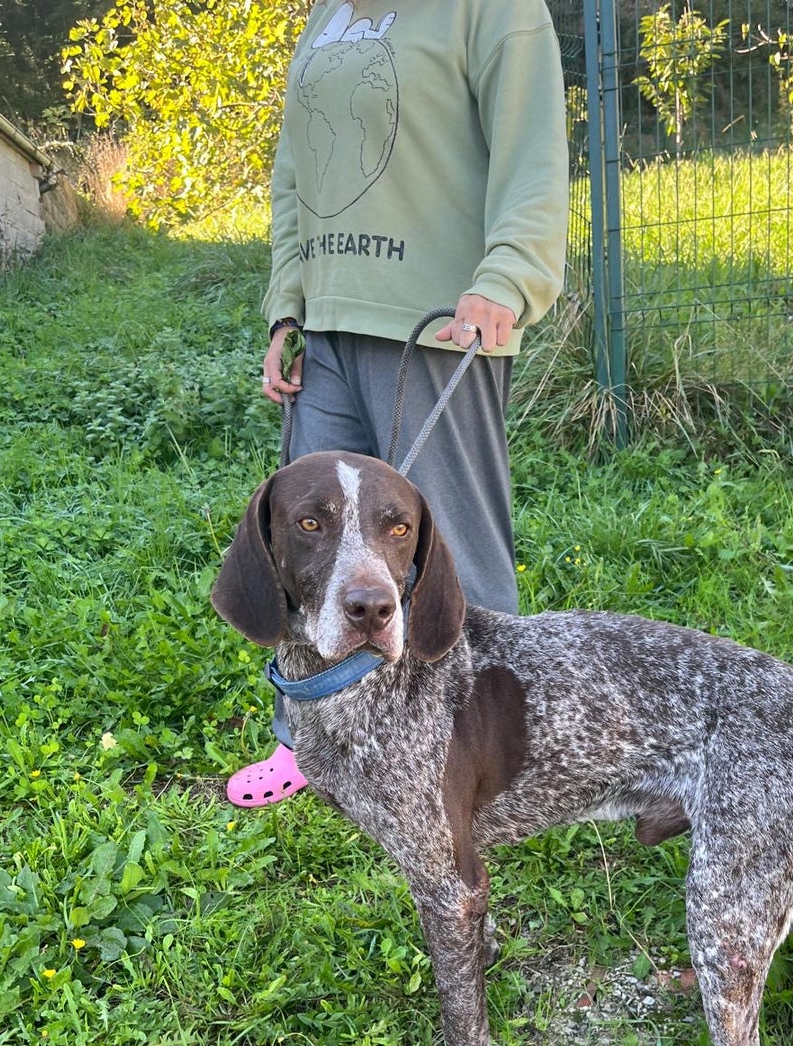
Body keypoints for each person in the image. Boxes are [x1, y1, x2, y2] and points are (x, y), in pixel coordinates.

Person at [226, 0, 569, 807]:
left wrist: (509, 276)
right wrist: (288, 303)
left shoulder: (492, 10)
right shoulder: (325, 18)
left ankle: (486, 761)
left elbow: (533, 152)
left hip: (439, 322)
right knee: (309, 556)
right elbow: (293, 179)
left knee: (457, 558)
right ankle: (306, 742)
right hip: (329, 324)